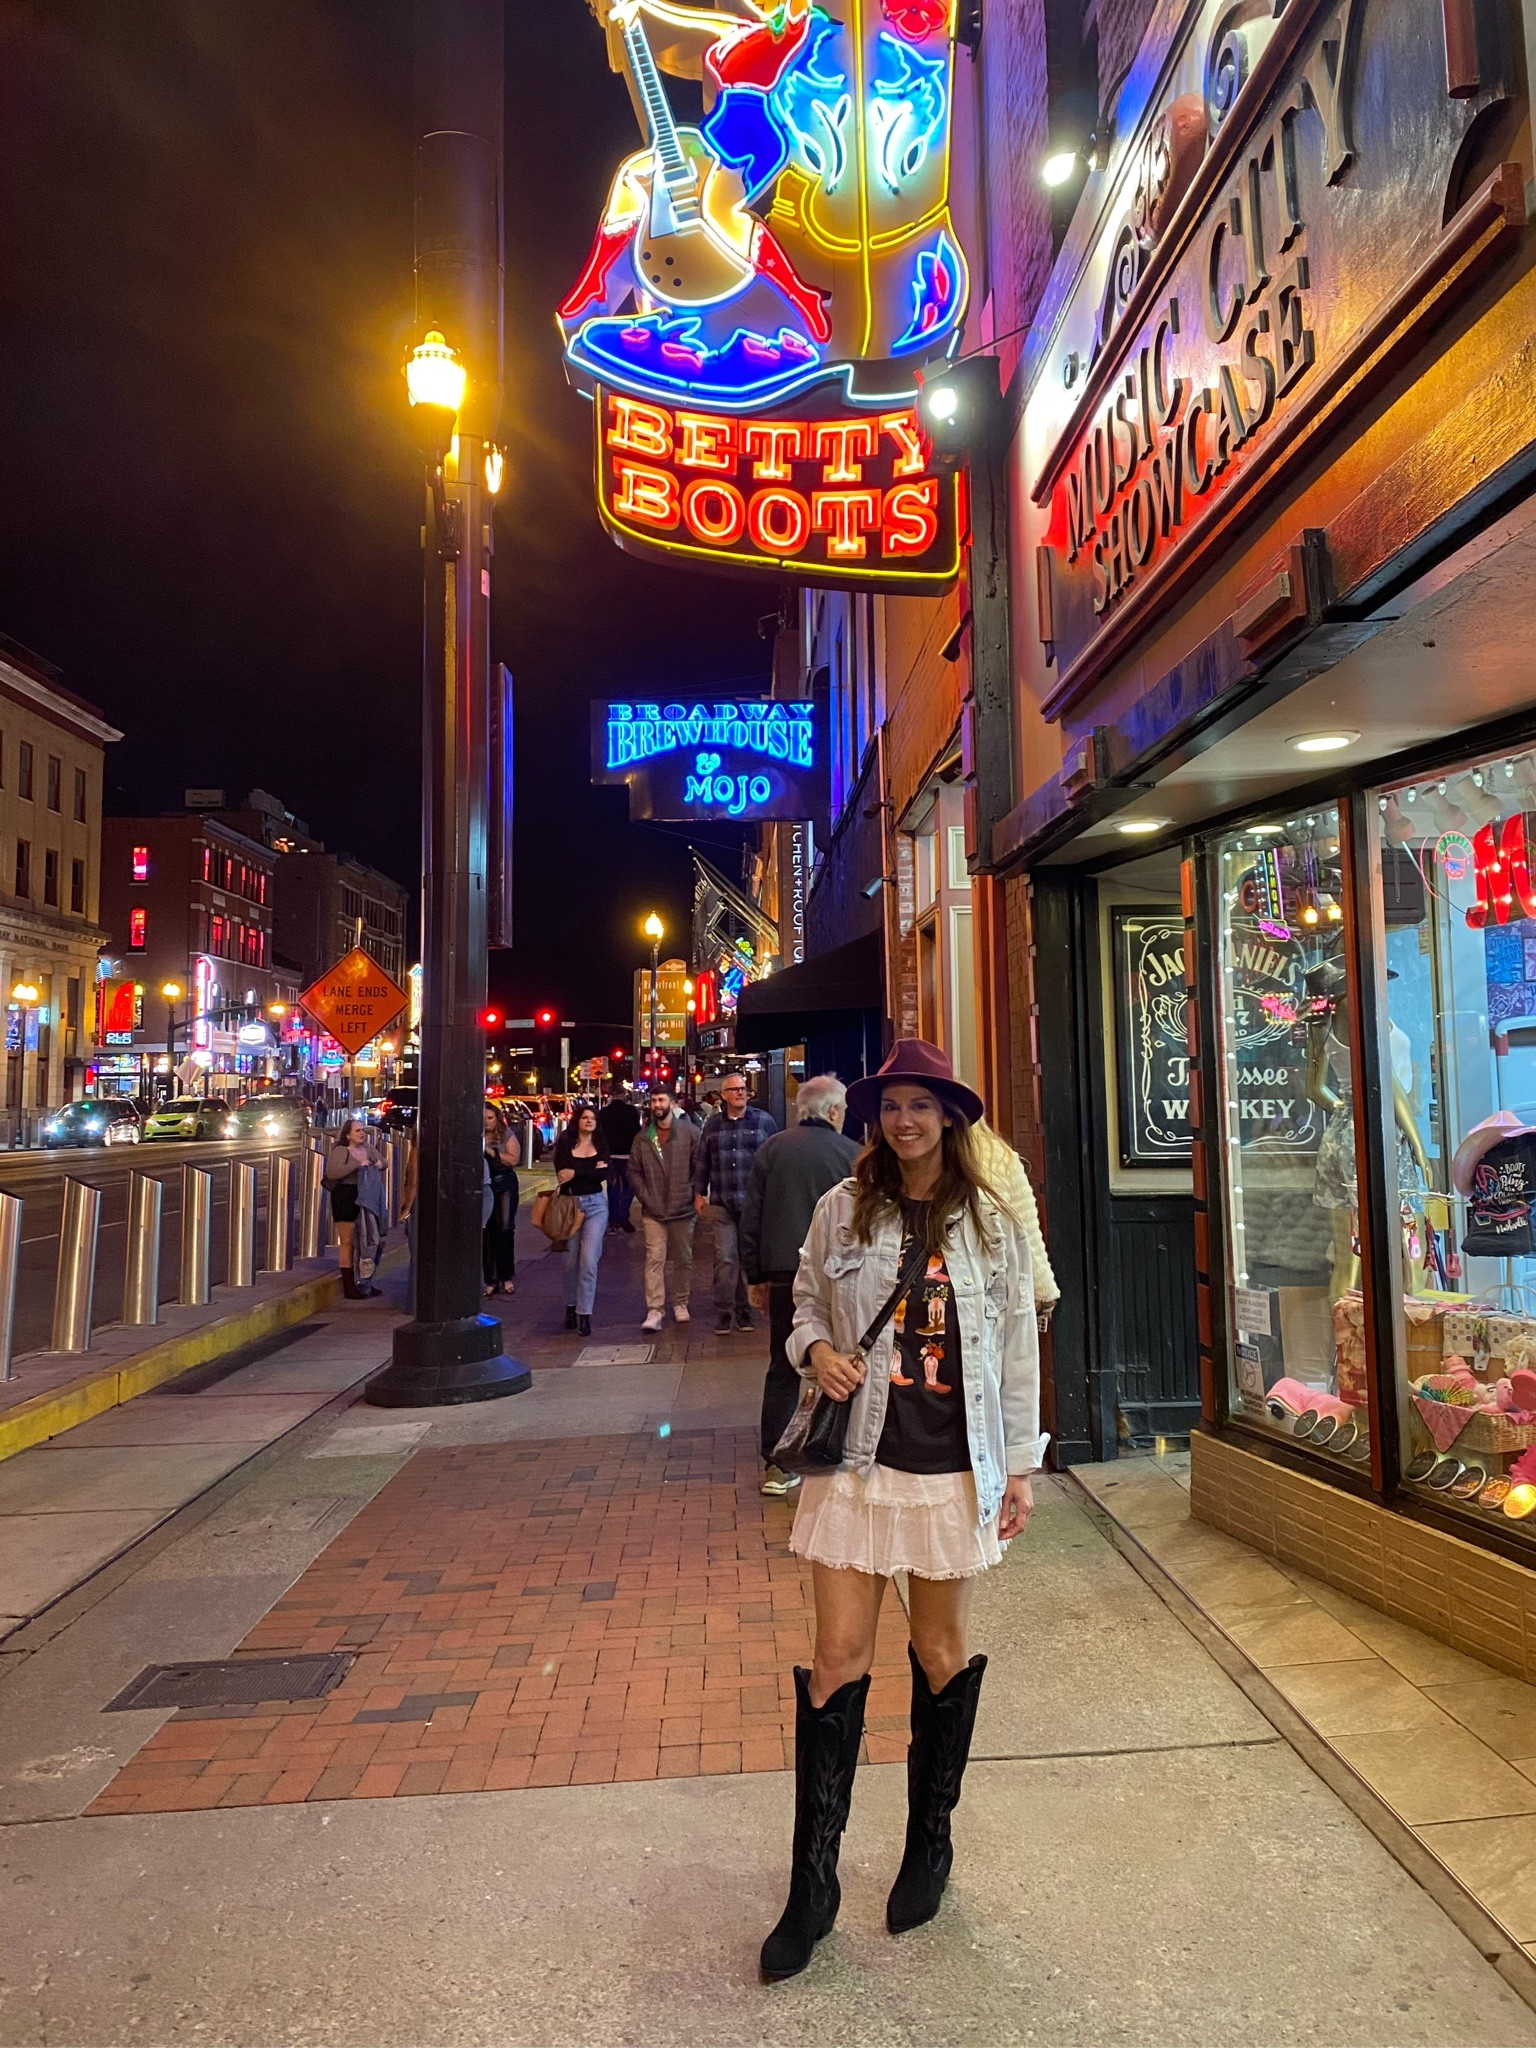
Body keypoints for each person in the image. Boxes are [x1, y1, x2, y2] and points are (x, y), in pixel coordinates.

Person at [760, 1039, 1047, 1982]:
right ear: (873, 1117)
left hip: (951, 1468)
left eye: (923, 1106)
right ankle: (813, 1886)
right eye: (892, 1106)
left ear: (950, 1119)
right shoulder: (842, 1207)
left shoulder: (992, 1220)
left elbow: (1013, 1346)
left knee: (938, 1653)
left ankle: (930, 1847)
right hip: (855, 1460)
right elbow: (801, 1303)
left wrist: (1021, 1465)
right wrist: (814, 1353)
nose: (906, 1120)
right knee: (837, 1659)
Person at [740, 1074, 858, 1497]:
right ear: (831, 1111)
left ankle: (778, 1462)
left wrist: (754, 1275)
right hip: (841, 1274)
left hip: (784, 1272)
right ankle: (838, 1446)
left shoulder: (772, 1150)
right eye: (842, 1111)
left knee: (782, 1364)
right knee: (844, 1359)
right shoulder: (852, 1154)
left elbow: (750, 1217)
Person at [693, 1071, 777, 1335]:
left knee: (747, 1258)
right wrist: (698, 1192)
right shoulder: (713, 1125)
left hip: (753, 1203)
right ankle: (724, 1310)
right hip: (722, 1201)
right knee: (726, 1258)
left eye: (744, 1089)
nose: (741, 1093)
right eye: (735, 1089)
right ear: (723, 1096)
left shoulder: (764, 1122)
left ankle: (745, 1310)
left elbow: (773, 1161)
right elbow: (702, 1160)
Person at [628, 1085, 700, 1333]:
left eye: (661, 1100)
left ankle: (680, 1302)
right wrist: (646, 1196)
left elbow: (699, 1166)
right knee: (654, 1259)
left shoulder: (690, 1133)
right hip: (653, 1209)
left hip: (683, 1208)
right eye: (653, 1100)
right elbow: (634, 1171)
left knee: (683, 1258)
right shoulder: (642, 1138)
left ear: (673, 1102)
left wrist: (692, 1192)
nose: (656, 1104)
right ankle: (655, 1309)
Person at [554, 1103, 610, 1336]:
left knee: (589, 1259)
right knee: (570, 1261)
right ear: (577, 1120)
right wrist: (590, 1169)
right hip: (570, 1205)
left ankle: (585, 1313)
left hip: (595, 1205)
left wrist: (577, 1171)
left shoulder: (601, 1145)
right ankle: (570, 1304)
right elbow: (561, 1174)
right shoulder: (566, 1144)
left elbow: (603, 1174)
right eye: (585, 1117)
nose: (589, 1121)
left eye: (592, 1118)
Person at [324, 1117, 388, 1301]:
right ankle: (349, 1285)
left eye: (363, 1130)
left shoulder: (367, 1148)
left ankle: (365, 1281)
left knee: (367, 1240)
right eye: (357, 1130)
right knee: (348, 1241)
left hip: (365, 1197)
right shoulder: (341, 1150)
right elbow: (333, 1172)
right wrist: (357, 1164)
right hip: (345, 1196)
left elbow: (384, 1162)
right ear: (347, 1134)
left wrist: (377, 1164)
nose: (362, 1133)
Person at [482, 1102, 521, 1298]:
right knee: (487, 1231)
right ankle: (491, 1278)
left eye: (489, 1118)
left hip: (504, 1183)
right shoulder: (476, 1136)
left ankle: (506, 1277)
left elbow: (514, 1159)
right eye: (483, 1118)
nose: (486, 1122)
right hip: (484, 1185)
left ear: (496, 1118)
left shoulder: (506, 1135)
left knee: (504, 1228)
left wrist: (493, 1152)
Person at [598, 1084, 641, 1233]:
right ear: (624, 1094)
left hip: (610, 1155)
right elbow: (637, 1132)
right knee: (631, 1186)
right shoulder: (631, 1112)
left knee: (613, 1186)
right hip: (628, 1154)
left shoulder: (603, 1113)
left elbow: (600, 1135)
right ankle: (623, 1213)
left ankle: (614, 1220)